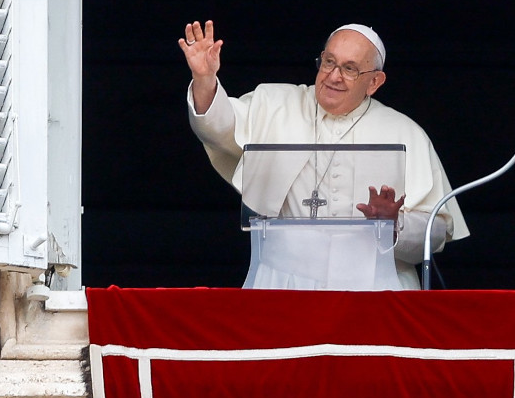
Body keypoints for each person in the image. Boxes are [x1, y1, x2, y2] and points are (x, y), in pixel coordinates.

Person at [181, 19, 468, 289]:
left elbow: (437, 230)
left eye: (350, 68)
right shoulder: (275, 103)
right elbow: (217, 128)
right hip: (283, 281)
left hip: (373, 284)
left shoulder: (405, 132)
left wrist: (395, 225)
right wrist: (204, 80)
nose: (333, 76)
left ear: (374, 82)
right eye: (329, 62)